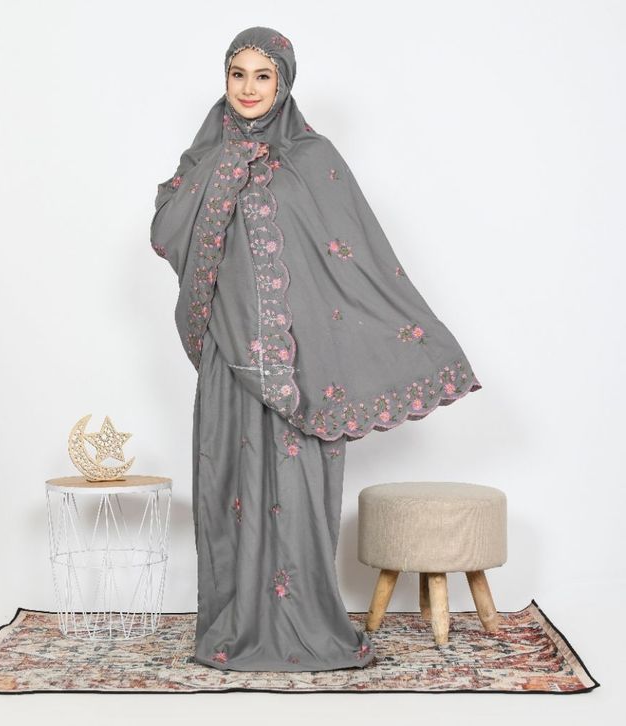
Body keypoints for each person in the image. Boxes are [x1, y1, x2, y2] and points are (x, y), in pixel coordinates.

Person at [150, 26, 482, 672]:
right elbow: (167, 230)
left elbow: (356, 260)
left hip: (298, 372)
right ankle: (233, 625)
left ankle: (304, 621)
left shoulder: (313, 158)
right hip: (227, 364)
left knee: (298, 494)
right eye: (238, 74)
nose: (249, 88)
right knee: (225, 490)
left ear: (284, 83)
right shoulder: (204, 157)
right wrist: (222, 172)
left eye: (263, 76)